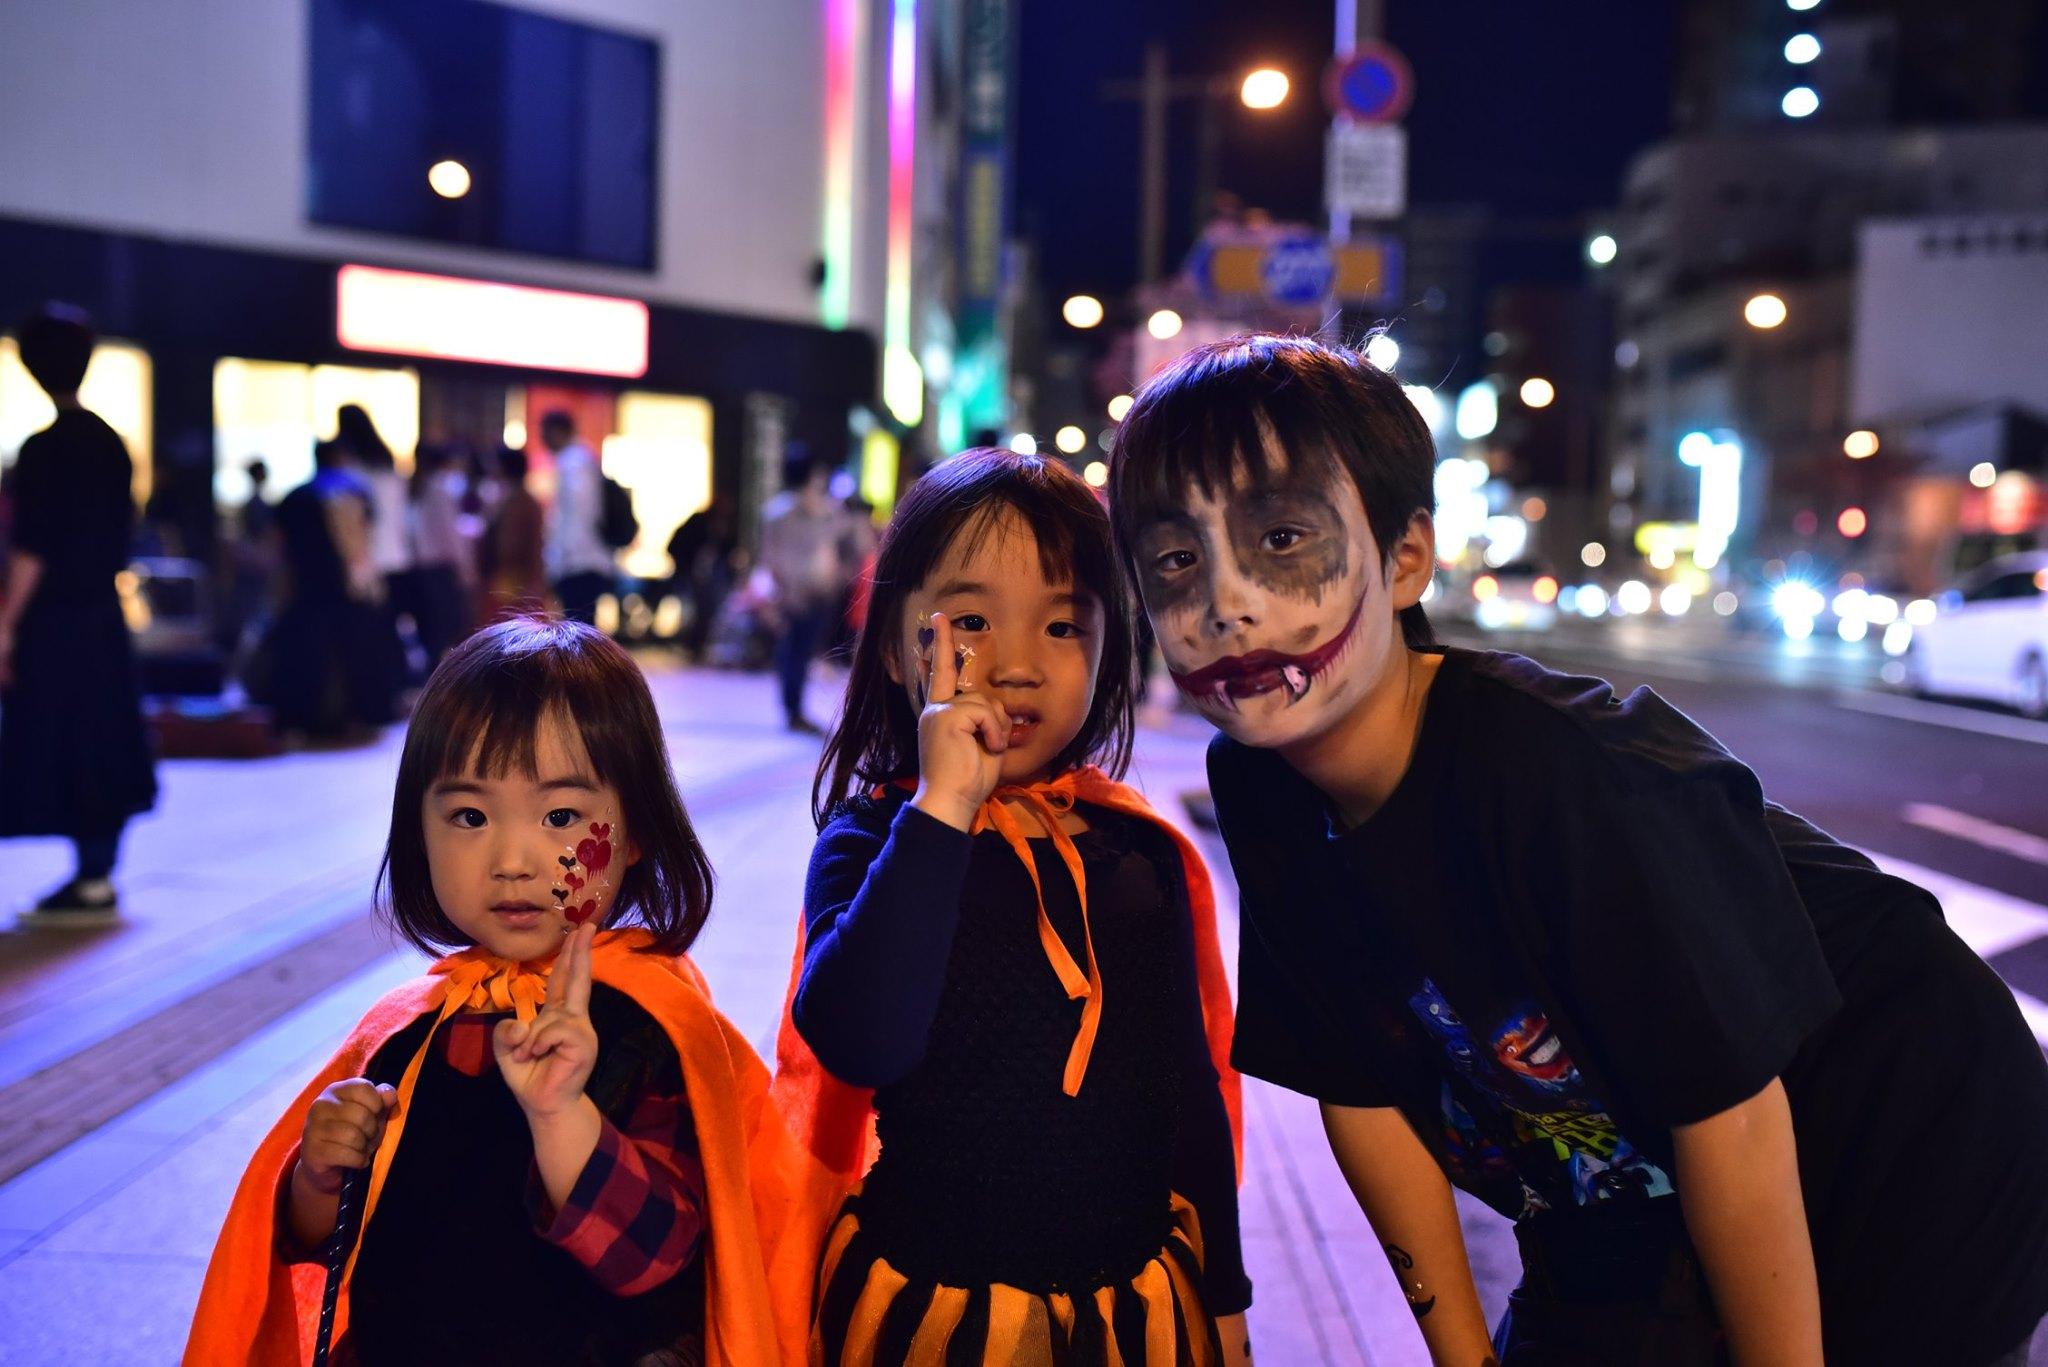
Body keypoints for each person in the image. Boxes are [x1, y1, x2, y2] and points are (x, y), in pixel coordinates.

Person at [1108, 333, 2048, 1366]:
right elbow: (1359, 1087)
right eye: (1175, 560)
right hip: (1630, 1173)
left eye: (1281, 537)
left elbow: (1732, 1121)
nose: (1225, 601)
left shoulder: (1559, 774)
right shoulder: (1261, 783)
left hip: (1907, 1136)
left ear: (1405, 557)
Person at [184, 618, 794, 1366]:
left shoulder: (648, 1029)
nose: (511, 859)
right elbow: (327, 1242)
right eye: (469, 816)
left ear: (635, 829)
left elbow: (658, 1257)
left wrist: (561, 1115)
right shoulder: (410, 1030)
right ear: (419, 830)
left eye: (560, 816)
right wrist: (318, 1176)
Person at [775, 448, 1252, 1363]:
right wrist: (943, 806)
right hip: (931, 1314)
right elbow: (858, 1038)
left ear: (1112, 648)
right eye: (972, 621)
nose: (1022, 664)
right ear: (894, 646)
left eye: (1064, 625)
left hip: (1132, 1314)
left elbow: (1188, 1097)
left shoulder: (1137, 851)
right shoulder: (874, 838)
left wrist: (1225, 1298)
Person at [0, 303, 158, 926]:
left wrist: (6, 623)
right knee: (102, 737)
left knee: (56, 736)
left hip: (54, 620)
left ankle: (90, 882)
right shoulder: (110, 443)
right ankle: (96, 874)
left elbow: (33, 548)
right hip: (102, 616)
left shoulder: (43, 449)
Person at [259, 440, 395, 739]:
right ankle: (351, 718)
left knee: (307, 657)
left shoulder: (295, 496)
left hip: (305, 590)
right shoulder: (352, 491)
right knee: (351, 657)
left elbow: (280, 548)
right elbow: (360, 545)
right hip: (346, 591)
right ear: (340, 457)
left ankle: (305, 720)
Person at [758, 447, 862, 733]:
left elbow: (769, 556)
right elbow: (854, 542)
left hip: (805, 592)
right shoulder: (816, 511)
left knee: (797, 651)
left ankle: (793, 708)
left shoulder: (787, 511)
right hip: (801, 593)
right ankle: (793, 708)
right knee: (796, 651)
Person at [335, 403, 413, 682]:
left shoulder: (353, 473)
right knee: (388, 632)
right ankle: (393, 688)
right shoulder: (389, 466)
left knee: (368, 637)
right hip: (398, 559)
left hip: (370, 564)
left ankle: (375, 692)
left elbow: (358, 525)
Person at [542, 410, 614, 627]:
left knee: (578, 629)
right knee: (580, 627)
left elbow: (580, 515)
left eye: (545, 432)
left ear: (558, 431)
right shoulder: (580, 460)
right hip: (582, 561)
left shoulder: (574, 463)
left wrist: (561, 559)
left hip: (579, 563)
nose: (543, 439)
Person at [406, 441, 475, 665]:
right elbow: (450, 535)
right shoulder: (438, 490)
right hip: (442, 571)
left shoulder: (414, 488)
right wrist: (466, 569)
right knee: (448, 634)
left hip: (420, 570)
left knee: (432, 635)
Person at [481, 443, 550, 623]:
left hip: (515, 585)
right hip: (512, 583)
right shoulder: (514, 500)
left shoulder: (520, 503)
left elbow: (514, 547)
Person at [666, 496, 737, 659]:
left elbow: (727, 552)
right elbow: (676, 545)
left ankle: (700, 646)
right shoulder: (698, 523)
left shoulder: (725, 526)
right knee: (695, 611)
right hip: (692, 576)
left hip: (712, 579)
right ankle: (692, 645)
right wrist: (686, 566)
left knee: (710, 610)